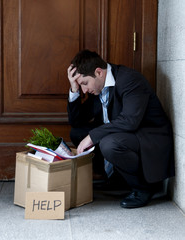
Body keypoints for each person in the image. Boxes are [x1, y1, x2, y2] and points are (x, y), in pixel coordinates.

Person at [67, 49, 174, 208]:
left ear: (99, 72)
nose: (85, 90)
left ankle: (143, 188)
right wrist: (74, 89)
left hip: (148, 139)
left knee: (108, 144)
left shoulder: (130, 79)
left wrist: (92, 136)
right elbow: (76, 122)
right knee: (78, 133)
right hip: (126, 136)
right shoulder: (97, 87)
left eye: (84, 84)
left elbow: (130, 121)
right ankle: (118, 180)